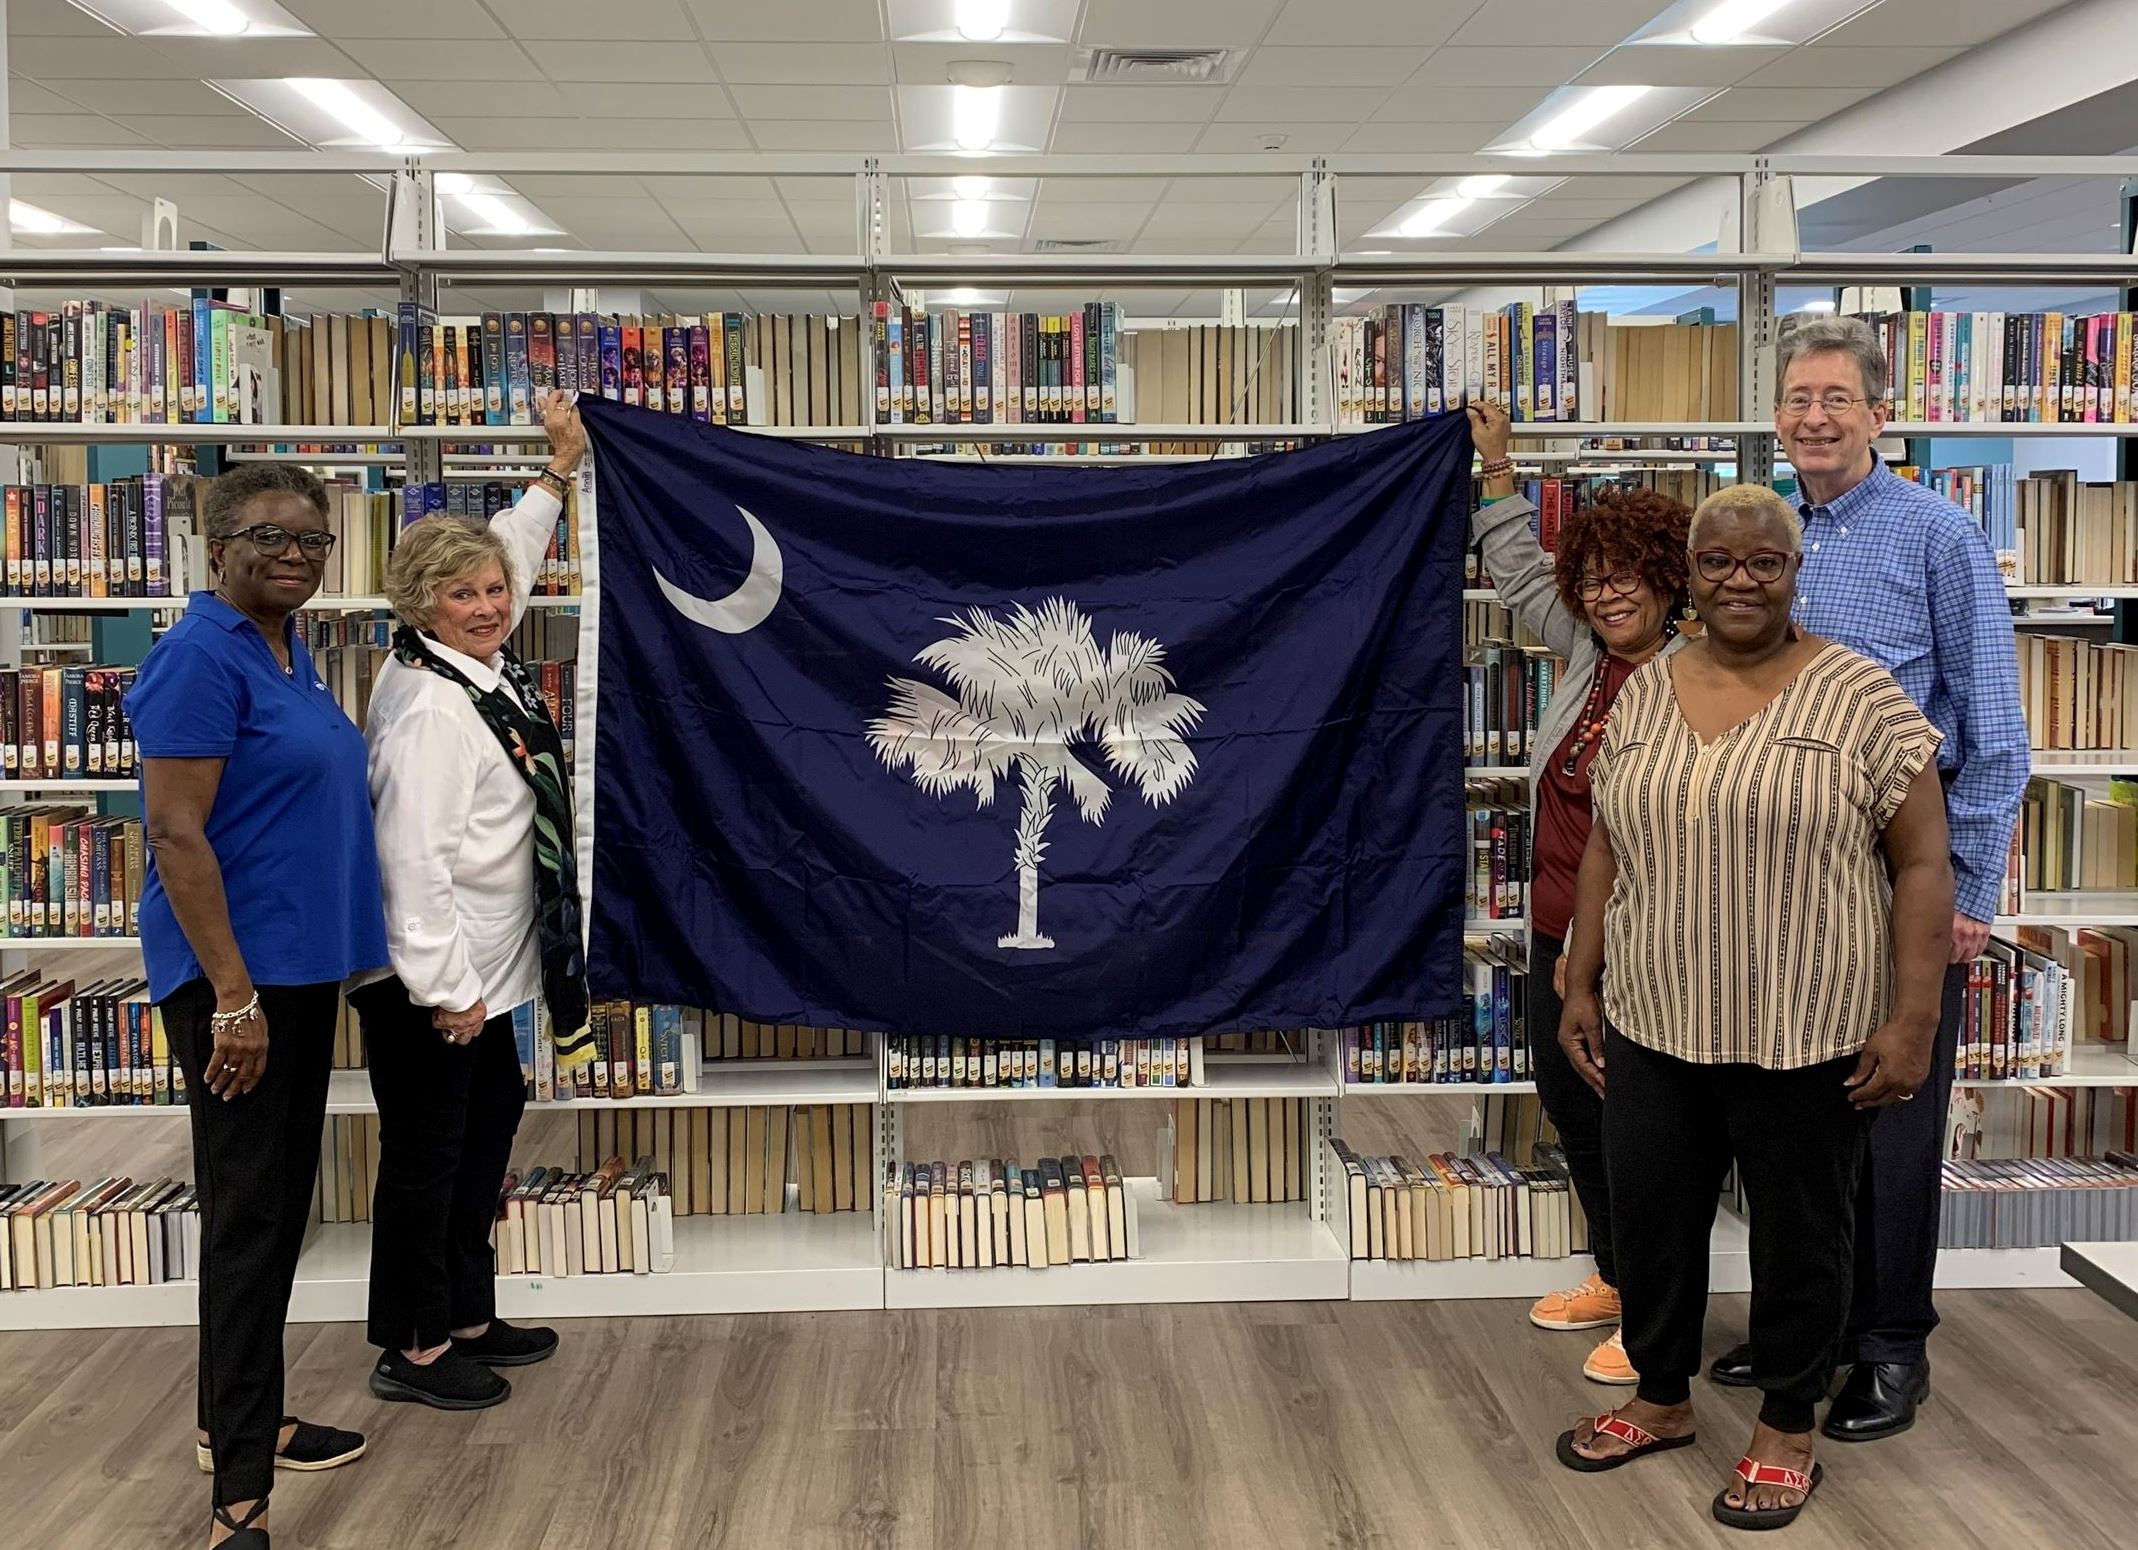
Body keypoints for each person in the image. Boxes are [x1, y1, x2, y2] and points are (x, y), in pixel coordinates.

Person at [1552, 484, 1954, 1531]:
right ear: (1687, 573)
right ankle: (1660, 1395)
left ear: (1792, 571)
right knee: (1651, 1221)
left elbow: (1920, 862)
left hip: (1805, 1026)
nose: (1738, 579)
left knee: (1799, 1234)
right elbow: (1605, 839)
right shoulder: (1643, 687)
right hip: (1651, 1014)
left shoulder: (1858, 693)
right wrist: (1579, 975)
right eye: (1716, 562)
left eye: (1761, 562)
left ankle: (1784, 1422)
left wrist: (1911, 1019)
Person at [1705, 314, 2028, 1441]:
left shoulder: (1937, 536)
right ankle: (1813, 1328)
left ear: (1879, 412)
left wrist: (1971, 895)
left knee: (1890, 1119)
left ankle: (1890, 1346)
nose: (1812, 416)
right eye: (1796, 396)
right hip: (1783, 884)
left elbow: (1992, 733)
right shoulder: (1767, 530)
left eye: (1835, 397)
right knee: (1797, 1121)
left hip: (1903, 873)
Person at [129, 464, 388, 1550]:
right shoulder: (198, 653)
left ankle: (242, 1415)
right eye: (271, 536)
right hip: (239, 984)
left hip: (295, 970)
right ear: (217, 542)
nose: (296, 554)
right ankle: (239, 1488)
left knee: (276, 1208)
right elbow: (176, 833)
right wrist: (233, 996)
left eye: (315, 540)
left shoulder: (286, 651)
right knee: (248, 1221)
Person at [351, 390, 598, 1410]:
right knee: (426, 1160)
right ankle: (410, 1346)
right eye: (464, 595)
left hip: (491, 973)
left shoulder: (473, 666)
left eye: (496, 589)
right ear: (421, 607)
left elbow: (509, 551)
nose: (492, 603)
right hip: (437, 988)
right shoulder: (431, 712)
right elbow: (411, 863)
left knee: (484, 1139)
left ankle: (465, 1309)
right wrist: (444, 989)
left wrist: (557, 469)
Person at [1465, 400, 1693, 1386]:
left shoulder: (1698, 675)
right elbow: (1516, 570)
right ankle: (1610, 1270)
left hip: (1644, 948)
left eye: (1628, 580)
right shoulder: (1587, 656)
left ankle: (1653, 1316)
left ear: (1668, 583)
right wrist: (1494, 471)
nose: (1608, 597)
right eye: (1595, 580)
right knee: (1572, 1108)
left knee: (1644, 1130)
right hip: (1555, 931)